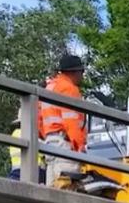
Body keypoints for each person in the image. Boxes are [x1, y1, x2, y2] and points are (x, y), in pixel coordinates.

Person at [38, 53, 88, 187]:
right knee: (67, 189)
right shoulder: (69, 89)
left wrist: (46, 135)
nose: (82, 75)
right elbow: (71, 121)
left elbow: (39, 118)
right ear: (74, 72)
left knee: (52, 190)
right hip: (65, 145)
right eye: (81, 71)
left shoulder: (49, 87)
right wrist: (80, 147)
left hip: (50, 144)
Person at [7, 117, 44, 183]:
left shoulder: (15, 134)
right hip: (31, 171)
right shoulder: (27, 134)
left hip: (16, 173)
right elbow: (43, 150)